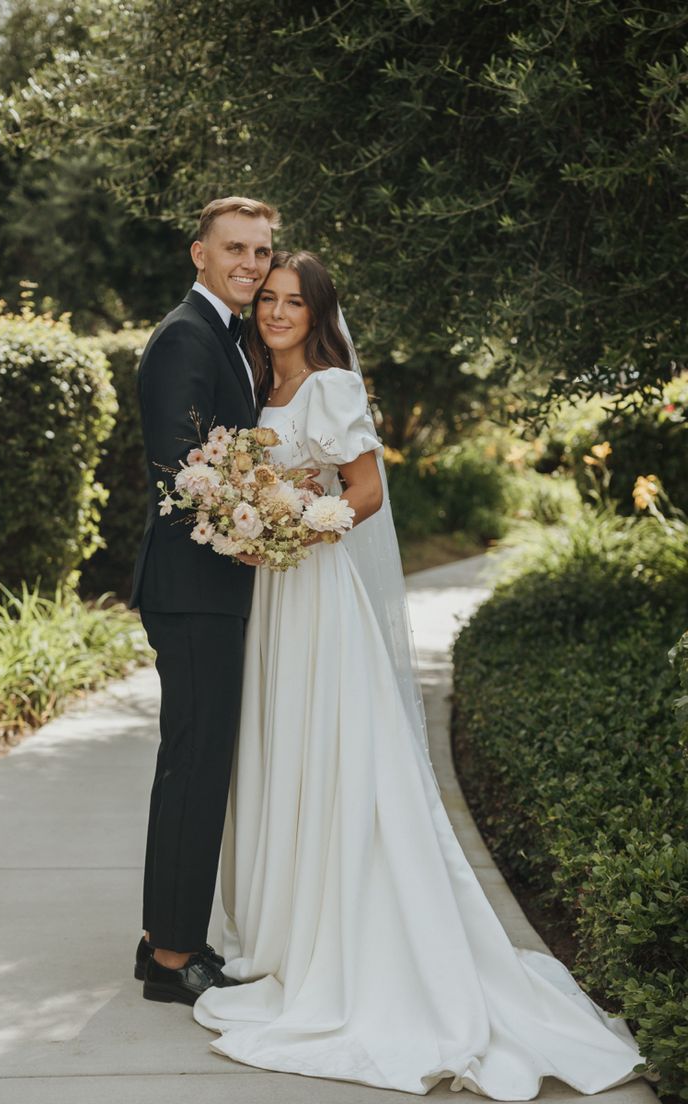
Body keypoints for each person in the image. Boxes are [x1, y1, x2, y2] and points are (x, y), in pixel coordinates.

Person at [192, 251, 645, 1098]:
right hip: (268, 600)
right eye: (270, 301)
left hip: (315, 595)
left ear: (319, 314)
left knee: (334, 760)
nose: (278, 313)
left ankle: (356, 954)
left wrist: (297, 531)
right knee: (279, 755)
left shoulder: (329, 386)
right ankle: (283, 937)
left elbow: (362, 491)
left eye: (295, 302)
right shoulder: (258, 388)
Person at [128, 195, 279, 1006]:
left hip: (208, 590)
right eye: (236, 249)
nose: (251, 264)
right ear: (200, 253)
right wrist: (266, 527)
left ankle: (163, 935)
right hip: (194, 591)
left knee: (193, 762)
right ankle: (176, 959)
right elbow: (182, 472)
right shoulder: (187, 335)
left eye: (261, 251)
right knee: (195, 767)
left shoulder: (223, 334)